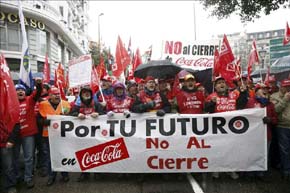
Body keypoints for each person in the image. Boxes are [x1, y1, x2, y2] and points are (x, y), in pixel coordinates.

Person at [205, 75, 248, 180]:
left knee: (231, 150)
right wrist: (212, 103)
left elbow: (241, 106)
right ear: (215, 87)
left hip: (231, 129)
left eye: (223, 82)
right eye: (219, 83)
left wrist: (243, 93)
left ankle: (231, 169)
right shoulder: (211, 96)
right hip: (217, 129)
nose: (221, 84)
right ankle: (216, 170)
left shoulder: (234, 95)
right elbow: (206, 109)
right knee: (217, 150)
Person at [70, 85, 105, 182]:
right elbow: (70, 114)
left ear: (91, 94)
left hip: (96, 134)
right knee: (84, 153)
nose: (86, 94)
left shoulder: (96, 104)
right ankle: (84, 173)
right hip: (83, 136)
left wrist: (99, 114)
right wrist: (77, 114)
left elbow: (104, 114)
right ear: (81, 95)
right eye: (84, 92)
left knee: (97, 152)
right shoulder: (77, 105)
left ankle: (98, 172)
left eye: (88, 92)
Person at [38, 86, 71, 186]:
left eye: (58, 94)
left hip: (63, 135)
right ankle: (51, 176)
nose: (57, 96)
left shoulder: (65, 104)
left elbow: (72, 116)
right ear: (50, 96)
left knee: (63, 154)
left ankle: (65, 174)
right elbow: (38, 120)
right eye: (54, 94)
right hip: (48, 136)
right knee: (50, 156)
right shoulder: (43, 105)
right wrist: (44, 121)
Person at [14, 80, 42, 189]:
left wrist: (38, 85)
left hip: (28, 134)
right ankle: (17, 177)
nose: (20, 92)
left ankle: (28, 178)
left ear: (25, 92)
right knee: (15, 158)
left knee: (29, 157)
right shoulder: (10, 103)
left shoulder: (30, 100)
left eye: (22, 90)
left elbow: (37, 93)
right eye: (17, 90)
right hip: (14, 136)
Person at [246, 83, 278, 180]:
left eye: (267, 89)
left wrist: (270, 120)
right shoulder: (250, 102)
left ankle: (262, 173)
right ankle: (251, 173)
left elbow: (275, 119)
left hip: (266, 135)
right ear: (256, 92)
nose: (265, 90)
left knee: (264, 155)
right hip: (253, 135)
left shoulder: (270, 104)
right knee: (252, 154)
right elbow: (245, 117)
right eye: (262, 89)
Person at [270, 78, 290, 180]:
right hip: (283, 126)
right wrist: (285, 99)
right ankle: (286, 171)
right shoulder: (274, 96)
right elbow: (275, 110)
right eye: (285, 87)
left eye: (288, 87)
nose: (287, 89)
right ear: (280, 87)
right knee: (285, 150)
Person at [0, 123, 20, 193]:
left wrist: (11, 140)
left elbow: (15, 124)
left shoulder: (4, 111)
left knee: (8, 166)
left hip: (4, 143)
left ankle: (11, 185)